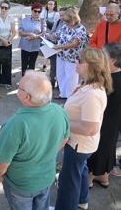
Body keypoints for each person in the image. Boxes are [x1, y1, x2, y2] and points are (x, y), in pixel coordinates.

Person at [0, 71, 69, 210]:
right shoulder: (59, 111)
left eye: (19, 86)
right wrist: (47, 152)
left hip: (21, 184)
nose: (17, 87)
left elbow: (0, 165)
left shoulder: (16, 124)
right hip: (46, 178)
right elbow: (65, 138)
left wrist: (2, 177)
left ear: (27, 97)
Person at [55, 48, 113, 210]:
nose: (76, 62)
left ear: (92, 66)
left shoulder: (93, 94)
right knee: (80, 172)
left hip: (78, 144)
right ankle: (82, 200)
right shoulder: (87, 84)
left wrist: (62, 120)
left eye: (80, 60)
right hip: (80, 144)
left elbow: (89, 128)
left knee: (68, 182)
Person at [87, 42, 121, 185]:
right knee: (109, 146)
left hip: (104, 119)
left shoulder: (108, 79)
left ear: (112, 61)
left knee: (97, 147)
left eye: (103, 54)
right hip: (115, 121)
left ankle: (88, 179)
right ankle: (104, 176)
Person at [47, 7, 87, 99]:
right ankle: (63, 94)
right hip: (61, 55)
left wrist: (60, 47)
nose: (65, 22)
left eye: (68, 20)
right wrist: (47, 35)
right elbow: (56, 35)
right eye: (64, 20)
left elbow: (75, 43)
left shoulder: (80, 28)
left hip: (72, 57)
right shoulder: (65, 26)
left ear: (74, 19)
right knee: (61, 75)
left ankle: (71, 97)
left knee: (71, 77)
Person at [0, 0, 16, 90]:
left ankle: (6, 82)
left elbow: (14, 32)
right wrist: (2, 40)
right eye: (2, 7)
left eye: (6, 8)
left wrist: (8, 40)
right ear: (0, 8)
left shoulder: (11, 18)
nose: (4, 9)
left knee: (7, 63)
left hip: (7, 43)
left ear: (8, 9)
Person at [18, 3, 45, 77]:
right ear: (31, 10)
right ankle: (23, 80)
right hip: (25, 46)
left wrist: (34, 36)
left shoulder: (42, 22)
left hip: (35, 47)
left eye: (39, 12)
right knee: (24, 64)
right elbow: (20, 32)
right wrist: (29, 34)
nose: (37, 13)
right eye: (35, 11)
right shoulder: (25, 20)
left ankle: (30, 81)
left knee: (32, 65)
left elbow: (43, 33)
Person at [46, 6, 68, 88]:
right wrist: (49, 36)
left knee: (63, 68)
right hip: (55, 47)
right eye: (60, 15)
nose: (62, 17)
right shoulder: (58, 22)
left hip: (64, 50)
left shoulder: (70, 24)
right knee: (53, 66)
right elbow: (53, 32)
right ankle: (52, 81)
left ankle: (60, 84)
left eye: (63, 15)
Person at [40, 0, 60, 72]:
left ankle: (45, 64)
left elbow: (56, 25)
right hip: (44, 34)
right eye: (48, 4)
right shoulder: (44, 12)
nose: (49, 6)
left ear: (54, 5)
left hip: (52, 34)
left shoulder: (56, 14)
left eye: (51, 4)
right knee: (41, 51)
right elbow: (41, 21)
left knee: (49, 50)